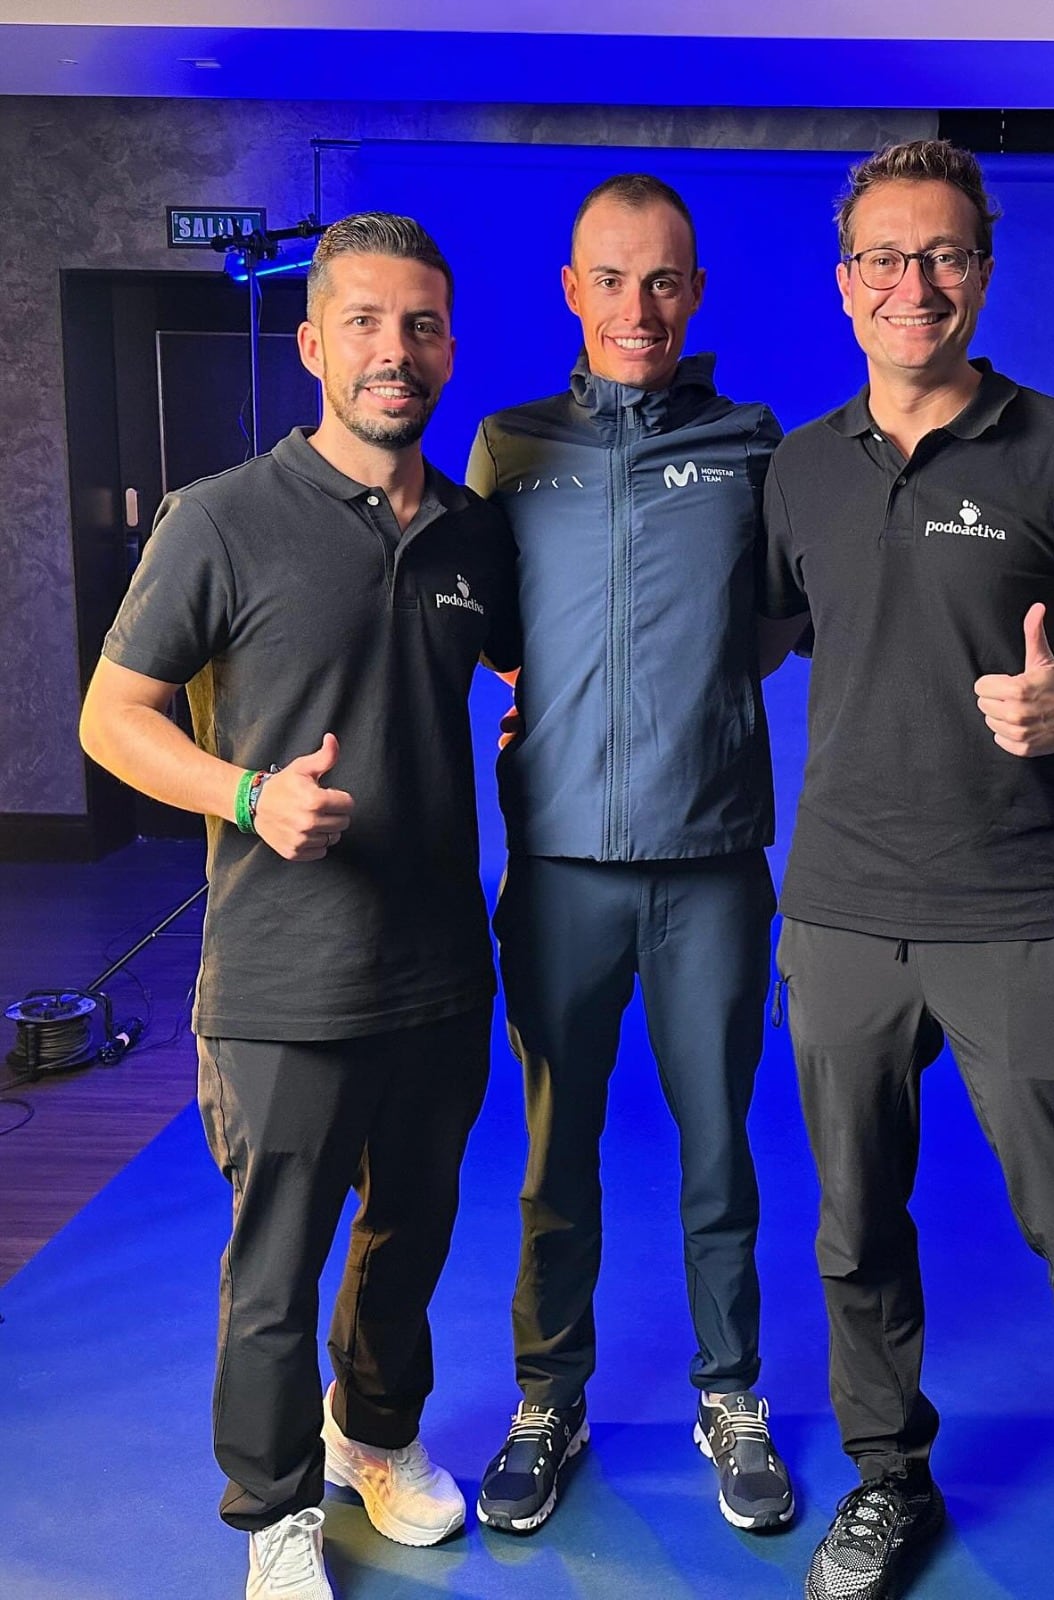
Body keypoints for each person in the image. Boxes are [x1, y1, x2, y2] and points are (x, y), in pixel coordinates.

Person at [761, 140, 1054, 1600]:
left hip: (1018, 908)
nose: (913, 284)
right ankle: (890, 1482)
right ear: (845, 283)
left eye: (942, 255)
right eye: (884, 257)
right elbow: (752, 639)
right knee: (853, 1228)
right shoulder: (801, 470)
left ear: (983, 272)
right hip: (836, 913)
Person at [79, 213, 520, 1600]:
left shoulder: (469, 534)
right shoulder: (221, 518)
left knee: (412, 1236)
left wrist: (533, 726)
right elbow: (111, 717)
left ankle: (370, 1436)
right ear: (315, 341)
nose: (398, 351)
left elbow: (516, 675)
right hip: (283, 975)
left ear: (448, 345)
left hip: (442, 964)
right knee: (276, 1266)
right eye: (370, 324)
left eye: (424, 325)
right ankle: (273, 1506)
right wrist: (245, 792)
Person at [465, 173, 795, 1536]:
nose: (638, 307)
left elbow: (780, 621)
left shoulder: (753, 443)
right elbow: (485, 631)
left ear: (696, 293)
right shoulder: (509, 444)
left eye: (664, 281)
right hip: (557, 872)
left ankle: (733, 1397)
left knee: (719, 1149)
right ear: (571, 290)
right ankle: (550, 1398)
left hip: (710, 863)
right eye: (612, 279)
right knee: (558, 1150)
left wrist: (688, 705)